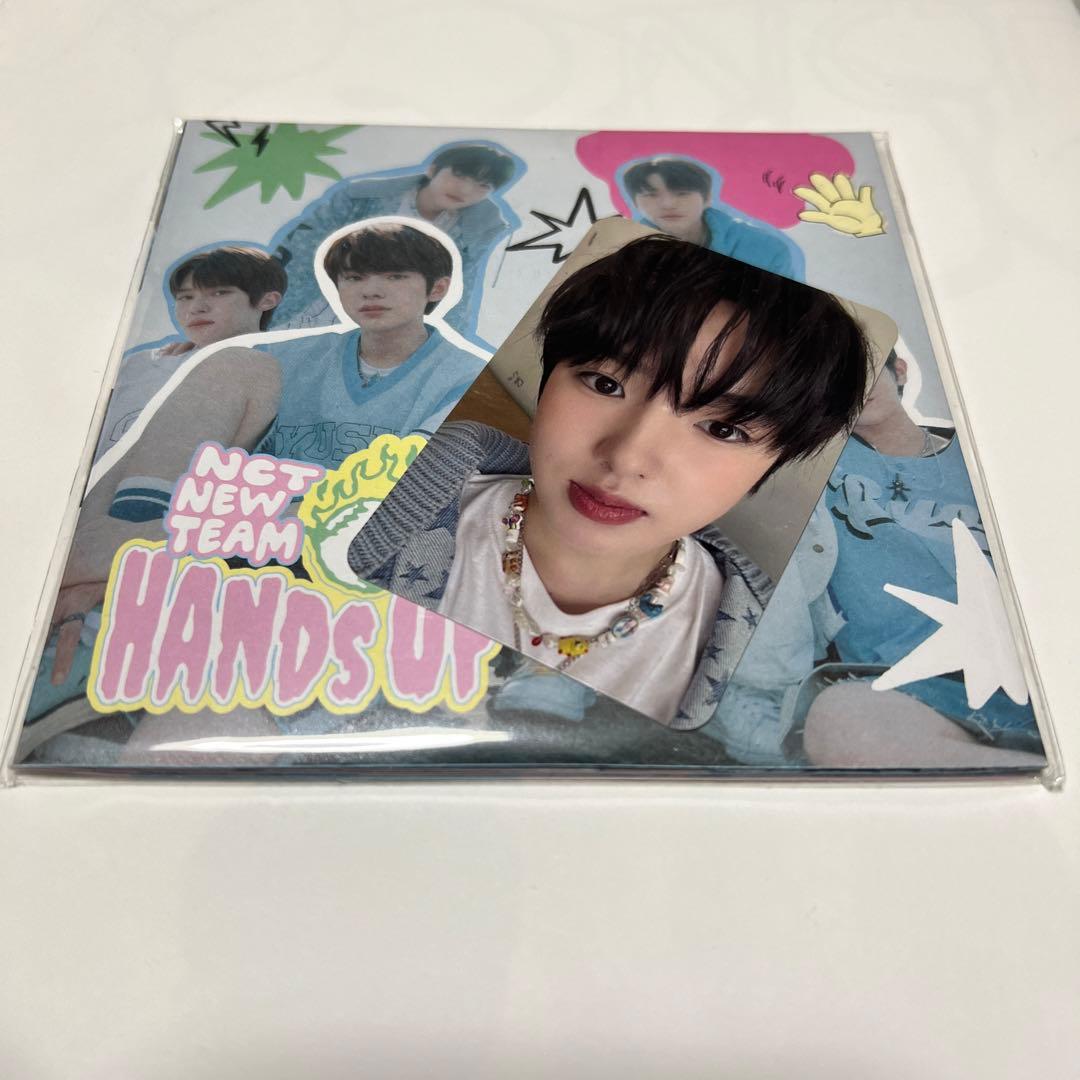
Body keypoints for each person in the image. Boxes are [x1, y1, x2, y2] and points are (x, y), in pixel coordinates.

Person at [347, 235, 869, 727]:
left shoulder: (758, 649)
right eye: (605, 384)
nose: (626, 458)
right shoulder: (371, 510)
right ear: (548, 381)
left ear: (772, 465)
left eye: (722, 429)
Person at [707, 351, 1043, 767]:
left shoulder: (987, 453)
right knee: (841, 719)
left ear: (899, 370)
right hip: (916, 691)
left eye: (862, 371)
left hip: (1041, 667)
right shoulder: (804, 470)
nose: (851, 389)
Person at [255, 221, 488, 471]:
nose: (371, 291)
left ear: (437, 288)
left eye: (394, 276)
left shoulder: (467, 376)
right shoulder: (279, 357)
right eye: (354, 277)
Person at [269, 143, 517, 334]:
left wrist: (445, 350)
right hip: (316, 298)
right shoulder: (361, 198)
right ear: (433, 169)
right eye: (459, 175)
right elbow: (303, 249)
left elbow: (461, 294)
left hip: (387, 322)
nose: (465, 190)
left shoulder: (476, 233)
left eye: (482, 186)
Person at [94, 246, 286, 463]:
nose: (196, 308)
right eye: (185, 297)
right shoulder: (142, 364)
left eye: (219, 293)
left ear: (267, 300)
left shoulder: (281, 369)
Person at [623, 157, 804, 282]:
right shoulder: (622, 250)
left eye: (682, 193)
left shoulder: (766, 248)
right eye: (651, 195)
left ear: (708, 198)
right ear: (635, 203)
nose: (668, 204)